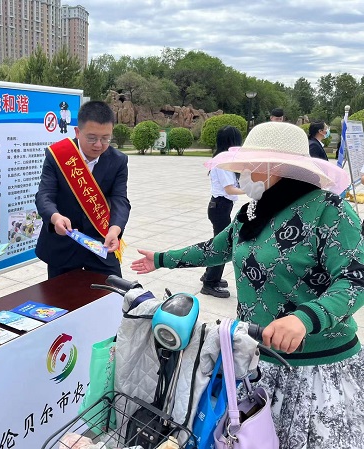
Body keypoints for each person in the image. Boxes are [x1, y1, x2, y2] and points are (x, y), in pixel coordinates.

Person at [131, 122, 364, 449]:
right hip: (256, 356)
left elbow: (355, 277)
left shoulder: (330, 210)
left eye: (249, 167)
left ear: (275, 168)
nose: (242, 175)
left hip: (316, 367)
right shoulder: (252, 212)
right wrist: (161, 259)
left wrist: (305, 318)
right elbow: (215, 249)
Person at [35, 100, 131, 278]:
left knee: (114, 290)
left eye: (105, 138)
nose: (99, 145)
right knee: (61, 294)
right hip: (64, 243)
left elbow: (120, 199)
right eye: (92, 138)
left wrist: (115, 230)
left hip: (101, 242)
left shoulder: (118, 160)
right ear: (77, 132)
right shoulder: (58, 155)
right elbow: (44, 195)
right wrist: (55, 218)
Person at [199, 126, 243, 298]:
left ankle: (210, 275)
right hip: (220, 207)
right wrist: (252, 190)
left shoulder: (224, 159)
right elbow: (229, 189)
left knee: (220, 243)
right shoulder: (222, 162)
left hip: (221, 207)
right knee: (223, 246)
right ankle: (210, 283)